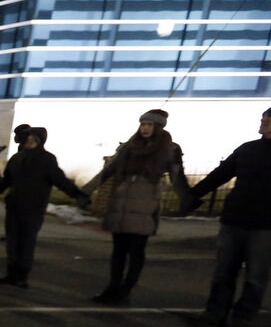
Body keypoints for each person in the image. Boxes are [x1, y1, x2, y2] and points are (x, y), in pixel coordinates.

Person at [184, 103, 271, 327]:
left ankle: (242, 317)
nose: (264, 120)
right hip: (234, 219)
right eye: (264, 116)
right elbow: (221, 174)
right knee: (223, 271)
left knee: (256, 275)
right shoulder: (248, 149)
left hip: (268, 225)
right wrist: (193, 195)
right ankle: (215, 312)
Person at [81, 109, 190, 304]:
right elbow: (108, 172)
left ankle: (125, 291)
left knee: (136, 252)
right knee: (118, 252)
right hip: (121, 205)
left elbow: (177, 178)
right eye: (143, 124)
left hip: (144, 207)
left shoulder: (167, 149)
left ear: (158, 127)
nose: (145, 128)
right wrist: (85, 192)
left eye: (149, 125)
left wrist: (188, 200)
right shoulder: (129, 147)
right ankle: (112, 288)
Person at [0, 127, 85, 288]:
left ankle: (22, 275)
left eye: (33, 139)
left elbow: (60, 180)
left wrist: (77, 194)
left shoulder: (47, 160)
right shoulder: (17, 158)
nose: (29, 141)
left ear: (40, 141)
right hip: (14, 207)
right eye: (28, 138)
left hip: (33, 209)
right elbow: (6, 181)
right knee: (12, 243)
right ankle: (11, 273)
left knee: (26, 243)